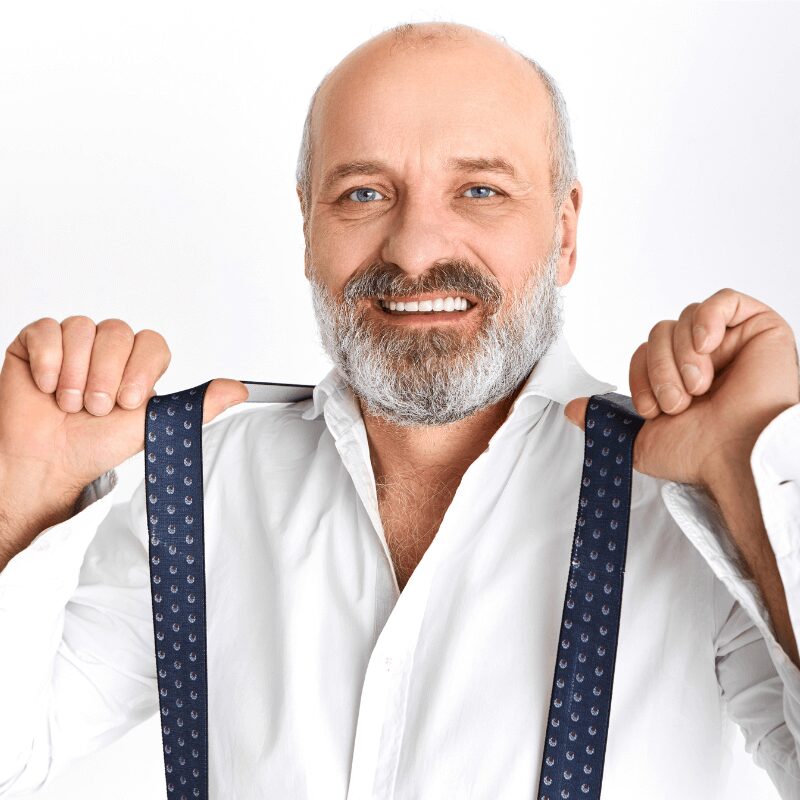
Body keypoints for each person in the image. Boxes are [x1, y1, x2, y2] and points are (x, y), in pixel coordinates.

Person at [1, 19, 799, 799]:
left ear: (564, 231)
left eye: (480, 190)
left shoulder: (695, 508)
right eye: (364, 193)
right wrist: (18, 500)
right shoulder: (198, 489)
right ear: (308, 230)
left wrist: (751, 472)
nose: (415, 249)